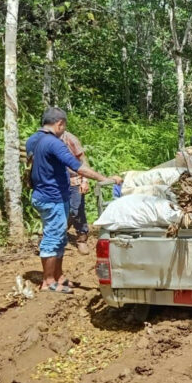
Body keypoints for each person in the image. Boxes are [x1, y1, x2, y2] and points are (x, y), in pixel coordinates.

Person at [26, 107, 122, 294]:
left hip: (43, 194)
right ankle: (48, 281)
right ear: (60, 124)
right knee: (53, 238)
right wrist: (105, 179)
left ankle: (58, 276)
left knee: (59, 237)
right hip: (52, 196)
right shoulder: (55, 143)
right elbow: (79, 167)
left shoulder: (33, 140)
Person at [60, 131, 91, 255]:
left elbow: (83, 160)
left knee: (76, 210)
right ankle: (59, 234)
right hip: (57, 181)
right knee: (60, 210)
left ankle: (81, 238)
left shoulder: (70, 139)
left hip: (74, 179)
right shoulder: (47, 139)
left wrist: (85, 180)